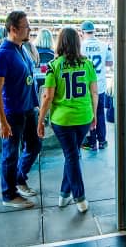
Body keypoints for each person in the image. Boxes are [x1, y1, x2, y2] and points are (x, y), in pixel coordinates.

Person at [37, 27, 97, 213]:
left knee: (71, 156)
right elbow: (94, 92)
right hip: (83, 117)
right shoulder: (87, 64)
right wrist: (94, 115)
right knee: (72, 155)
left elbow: (47, 97)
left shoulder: (54, 66)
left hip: (62, 120)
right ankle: (64, 195)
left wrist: (40, 120)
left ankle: (79, 197)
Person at [0, 11, 42, 209]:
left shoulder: (22, 49)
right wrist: (2, 121)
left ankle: (19, 179)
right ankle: (9, 194)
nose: (29, 29)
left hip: (28, 108)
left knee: (35, 145)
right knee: (10, 153)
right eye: (26, 26)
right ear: (13, 29)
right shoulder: (1, 54)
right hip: (13, 112)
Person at [80, 20, 113, 151]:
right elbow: (110, 63)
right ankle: (103, 140)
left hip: (86, 86)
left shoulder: (80, 46)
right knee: (100, 113)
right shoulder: (104, 45)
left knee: (89, 114)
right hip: (100, 84)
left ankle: (92, 142)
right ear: (94, 31)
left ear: (82, 32)